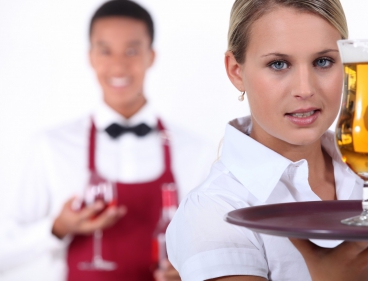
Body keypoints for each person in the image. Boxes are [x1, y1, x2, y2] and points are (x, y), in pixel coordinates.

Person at [166, 0, 368, 280]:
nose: (305, 89)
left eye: (323, 61)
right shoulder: (213, 210)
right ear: (236, 71)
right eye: (278, 64)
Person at [0, 1, 214, 280]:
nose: (118, 64)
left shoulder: (195, 150)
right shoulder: (50, 147)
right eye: (105, 51)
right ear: (90, 57)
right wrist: (58, 227)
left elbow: (217, 249)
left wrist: (190, 270)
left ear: (151, 56)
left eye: (132, 51)